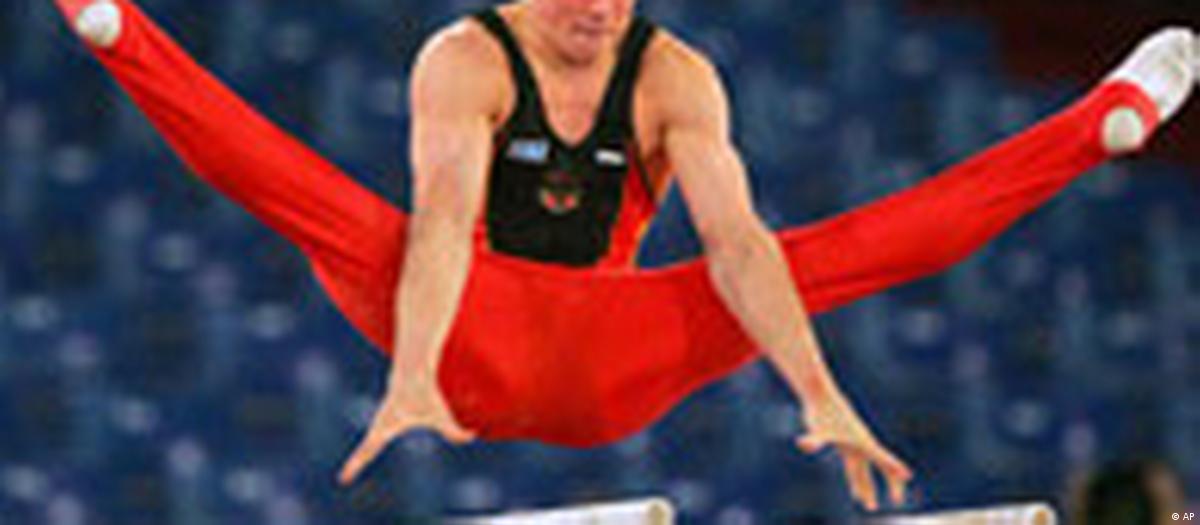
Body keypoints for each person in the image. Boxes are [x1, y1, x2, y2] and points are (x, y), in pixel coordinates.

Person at [59, 0, 1196, 512]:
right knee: (341, 215)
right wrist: (410, 375)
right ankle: (117, 25)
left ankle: (1098, 122)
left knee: (831, 252)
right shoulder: (467, 60)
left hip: (614, 358)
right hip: (463, 338)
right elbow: (445, 223)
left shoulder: (675, 76)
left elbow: (737, 247)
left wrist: (819, 390)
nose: (601, 13)